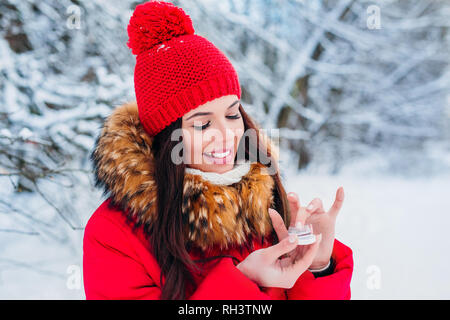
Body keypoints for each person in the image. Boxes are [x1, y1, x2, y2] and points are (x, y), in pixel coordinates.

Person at [83, 0, 353, 300]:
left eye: (232, 114)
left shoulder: (267, 208)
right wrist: (243, 281)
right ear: (166, 139)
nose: (226, 135)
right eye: (202, 125)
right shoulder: (114, 234)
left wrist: (317, 266)